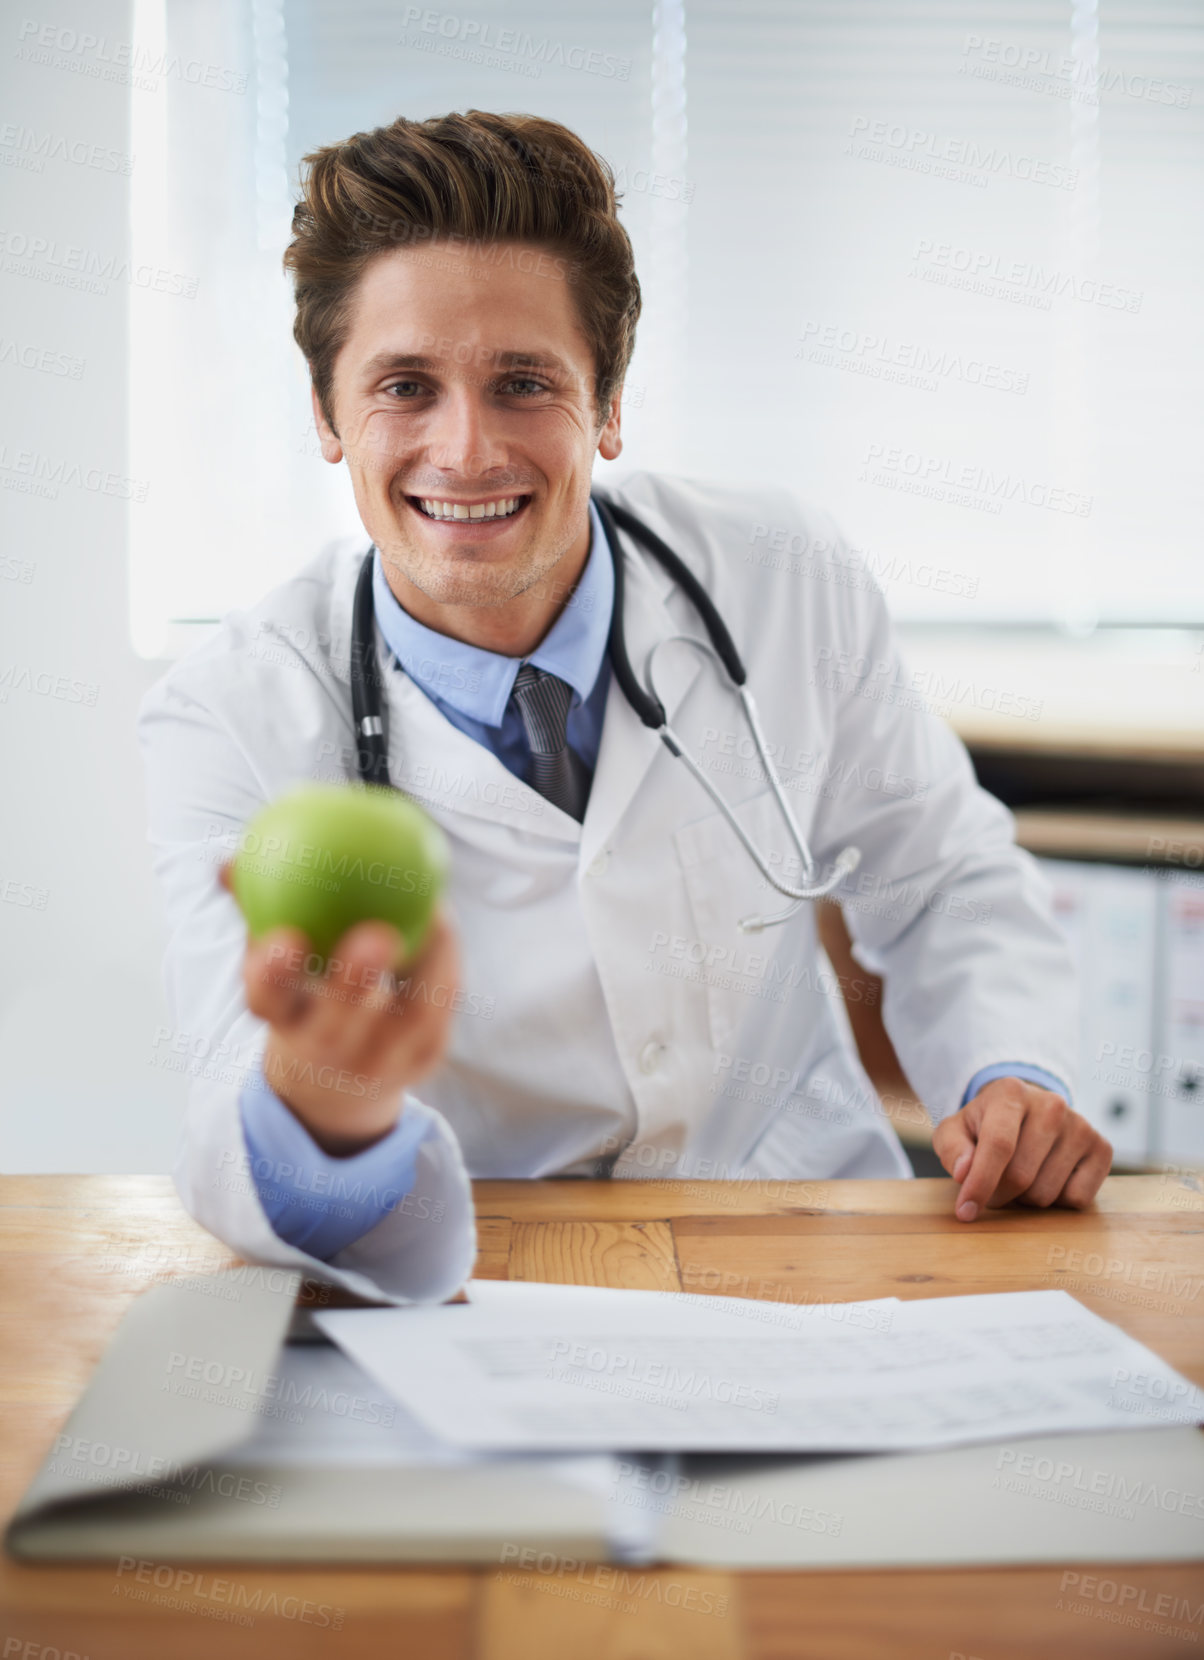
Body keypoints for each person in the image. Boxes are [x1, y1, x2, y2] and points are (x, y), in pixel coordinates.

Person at [137, 110, 1110, 1304]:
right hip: (481, 1282)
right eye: (404, 385)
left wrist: (1007, 1074)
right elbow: (231, 1125)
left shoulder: (777, 572)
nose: (467, 446)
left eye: (523, 382)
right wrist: (322, 1094)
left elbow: (942, 874)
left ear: (605, 404)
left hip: (808, 1247)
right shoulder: (229, 715)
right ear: (330, 419)